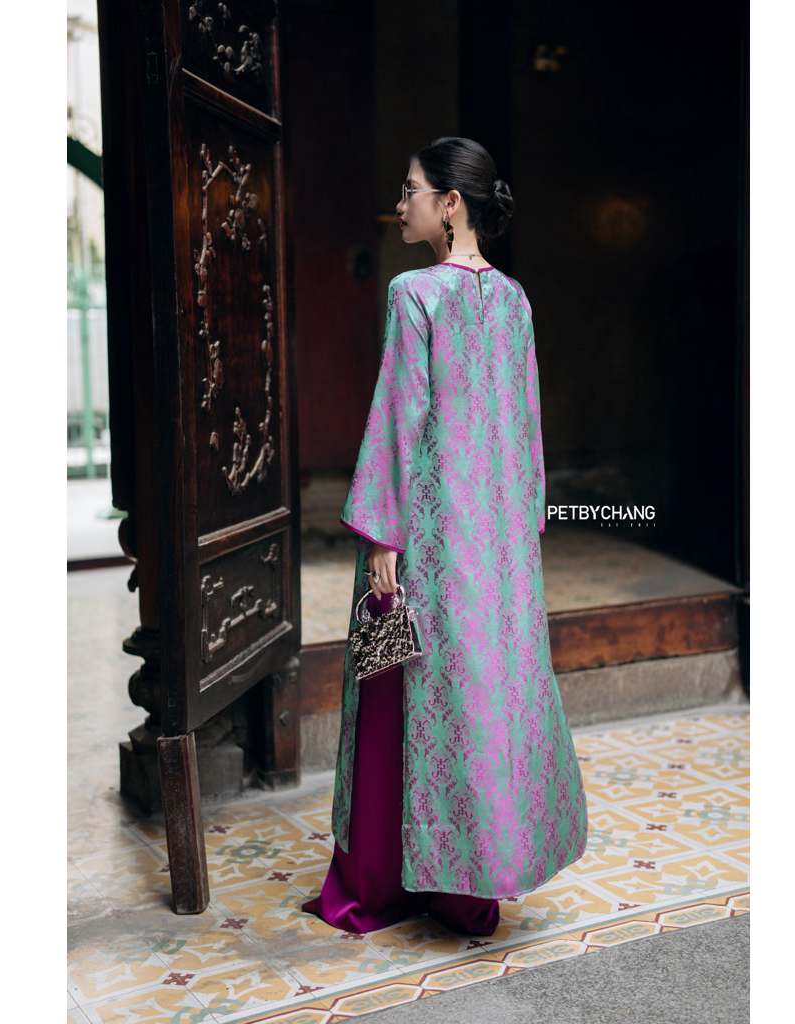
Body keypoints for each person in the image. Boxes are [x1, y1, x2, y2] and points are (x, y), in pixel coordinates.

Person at [301, 137, 588, 937]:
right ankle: (471, 886)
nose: (401, 205)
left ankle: (389, 881)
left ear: (451, 204)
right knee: (485, 695)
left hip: (428, 532)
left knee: (411, 688)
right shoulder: (515, 301)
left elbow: (401, 414)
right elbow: (526, 426)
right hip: (498, 539)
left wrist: (382, 533)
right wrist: (523, 528)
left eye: (412, 190)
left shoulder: (414, 293)